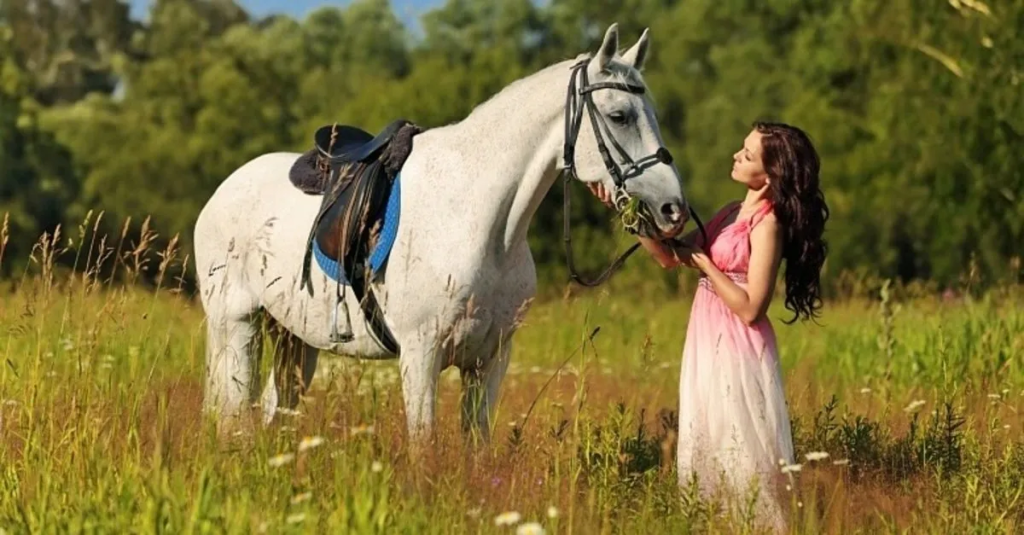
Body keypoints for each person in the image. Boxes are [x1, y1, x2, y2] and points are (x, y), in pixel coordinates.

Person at [589, 121, 829, 530]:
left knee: (738, 440)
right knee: (707, 431)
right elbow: (668, 257)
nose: (737, 155)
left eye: (748, 154)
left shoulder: (768, 224)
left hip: (738, 343)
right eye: (742, 148)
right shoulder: (731, 213)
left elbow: (753, 306)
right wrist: (625, 208)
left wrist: (704, 265)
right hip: (706, 338)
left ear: (770, 175)